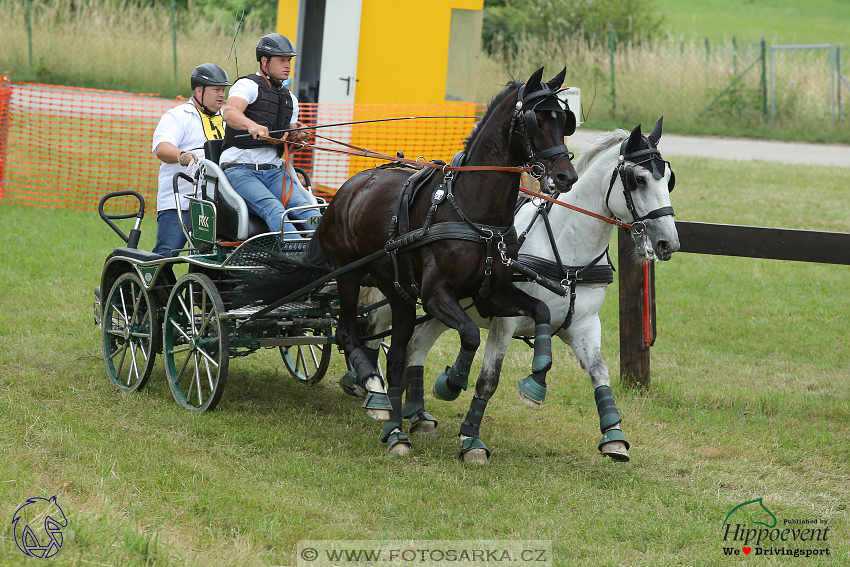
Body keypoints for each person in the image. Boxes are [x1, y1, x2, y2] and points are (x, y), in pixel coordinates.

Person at [220, 33, 320, 237]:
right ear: (264, 61)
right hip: (240, 169)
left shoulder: (290, 99)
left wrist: (297, 136)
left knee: (307, 210)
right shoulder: (247, 85)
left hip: (275, 172)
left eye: (289, 60)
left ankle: (326, 254)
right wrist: (251, 126)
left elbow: (288, 137)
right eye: (281, 60)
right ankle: (296, 254)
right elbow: (230, 112)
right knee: (275, 209)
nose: (287, 65)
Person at [152, 63, 230, 256]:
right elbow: (162, 147)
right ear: (198, 91)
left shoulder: (228, 119)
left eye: (224, 90)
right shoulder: (178, 116)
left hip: (215, 204)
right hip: (180, 202)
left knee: (210, 258)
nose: (222, 95)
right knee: (167, 253)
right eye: (216, 90)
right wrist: (182, 155)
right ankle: (156, 286)